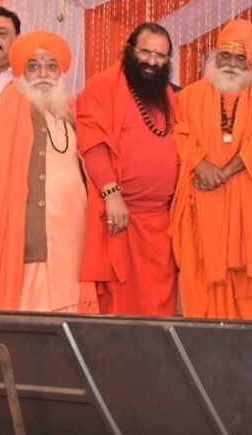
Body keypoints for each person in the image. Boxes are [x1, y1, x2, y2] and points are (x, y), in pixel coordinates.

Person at [170, 19, 252, 369]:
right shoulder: (189, 95)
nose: (232, 63)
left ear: (249, 62)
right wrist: (201, 165)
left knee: (251, 285)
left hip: (247, 202)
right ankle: (208, 364)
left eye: (240, 58)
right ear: (213, 56)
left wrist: (222, 171)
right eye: (226, 55)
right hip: (204, 199)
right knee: (204, 280)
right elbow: (182, 136)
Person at [0, 31, 98, 313]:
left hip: (73, 226)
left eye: (51, 65)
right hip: (25, 225)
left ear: (61, 71)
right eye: (33, 66)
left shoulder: (74, 111)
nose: (43, 73)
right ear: (21, 71)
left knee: (70, 293)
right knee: (28, 300)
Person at [77, 23, 179, 315]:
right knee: (121, 306)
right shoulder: (102, 87)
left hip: (162, 222)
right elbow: (92, 142)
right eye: (146, 52)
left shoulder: (169, 96)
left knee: (159, 305)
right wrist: (112, 194)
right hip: (121, 217)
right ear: (129, 50)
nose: (152, 61)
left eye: (160, 56)